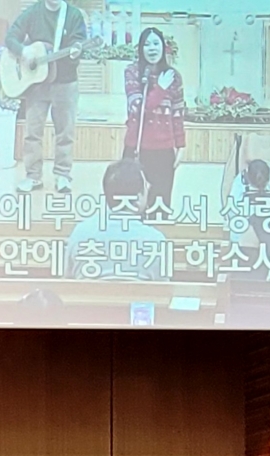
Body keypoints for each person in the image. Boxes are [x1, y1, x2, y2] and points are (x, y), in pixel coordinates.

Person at [7, 0, 88, 194]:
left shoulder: (73, 15)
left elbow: (79, 42)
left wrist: (76, 51)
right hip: (36, 84)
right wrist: (23, 51)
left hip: (65, 82)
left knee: (65, 132)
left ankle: (62, 175)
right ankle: (33, 176)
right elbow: (11, 37)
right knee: (32, 133)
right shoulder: (32, 13)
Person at [66, 158, 168, 279]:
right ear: (138, 198)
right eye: (146, 186)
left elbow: (67, 279)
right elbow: (163, 287)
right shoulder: (156, 240)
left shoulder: (80, 233)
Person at [123, 28, 184, 209]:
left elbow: (178, 113)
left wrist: (181, 145)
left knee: (160, 202)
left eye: (156, 44)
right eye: (147, 44)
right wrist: (160, 89)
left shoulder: (173, 76)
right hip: (137, 146)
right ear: (140, 48)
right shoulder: (133, 72)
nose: (152, 49)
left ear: (163, 47)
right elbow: (137, 109)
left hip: (164, 148)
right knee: (131, 201)